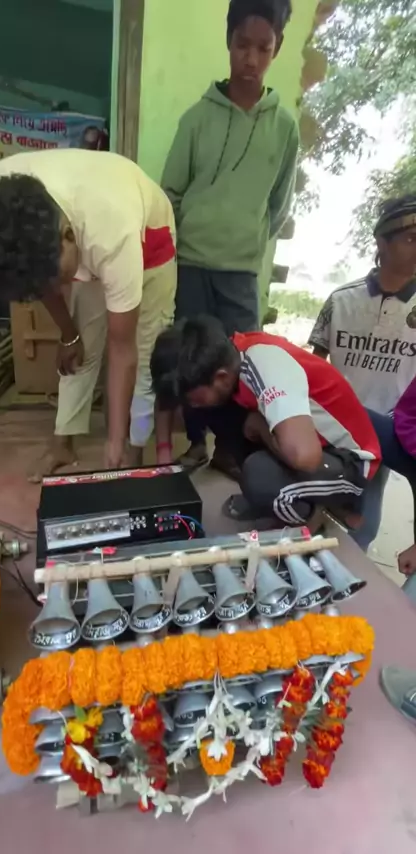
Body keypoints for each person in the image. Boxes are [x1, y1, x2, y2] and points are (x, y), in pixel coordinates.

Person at [0, 149, 176, 479]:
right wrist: (69, 335)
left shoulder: (111, 232)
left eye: (60, 278)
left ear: (67, 236)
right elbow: (42, 282)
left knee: (147, 353)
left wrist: (115, 440)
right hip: (88, 235)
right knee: (81, 350)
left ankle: (133, 450)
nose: (59, 287)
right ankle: (63, 443)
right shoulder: (0, 200)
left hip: (150, 240)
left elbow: (123, 349)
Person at [161, 0, 299, 473]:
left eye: (264, 48)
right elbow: (171, 193)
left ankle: (233, 449)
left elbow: (279, 204)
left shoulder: (284, 127)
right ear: (228, 42)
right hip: (192, 263)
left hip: (240, 269)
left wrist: (248, 238)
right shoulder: (196, 119)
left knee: (243, 363)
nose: (251, 59)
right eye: (242, 45)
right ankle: (196, 442)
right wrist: (187, 241)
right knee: (192, 360)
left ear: (277, 49)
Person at [151, 316, 381, 527]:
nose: (191, 406)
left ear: (221, 377)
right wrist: (164, 461)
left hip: (349, 462)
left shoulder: (267, 369)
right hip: (307, 439)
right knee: (218, 410)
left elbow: (306, 458)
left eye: (195, 399)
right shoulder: (224, 358)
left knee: (260, 476)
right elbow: (166, 397)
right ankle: (281, 496)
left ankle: (311, 516)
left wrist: (261, 427)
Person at [309, 195, 416, 551]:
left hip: (390, 429)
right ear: (382, 242)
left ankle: (353, 567)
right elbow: (316, 363)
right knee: (319, 498)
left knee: (364, 519)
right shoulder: (341, 300)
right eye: (411, 239)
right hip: (335, 424)